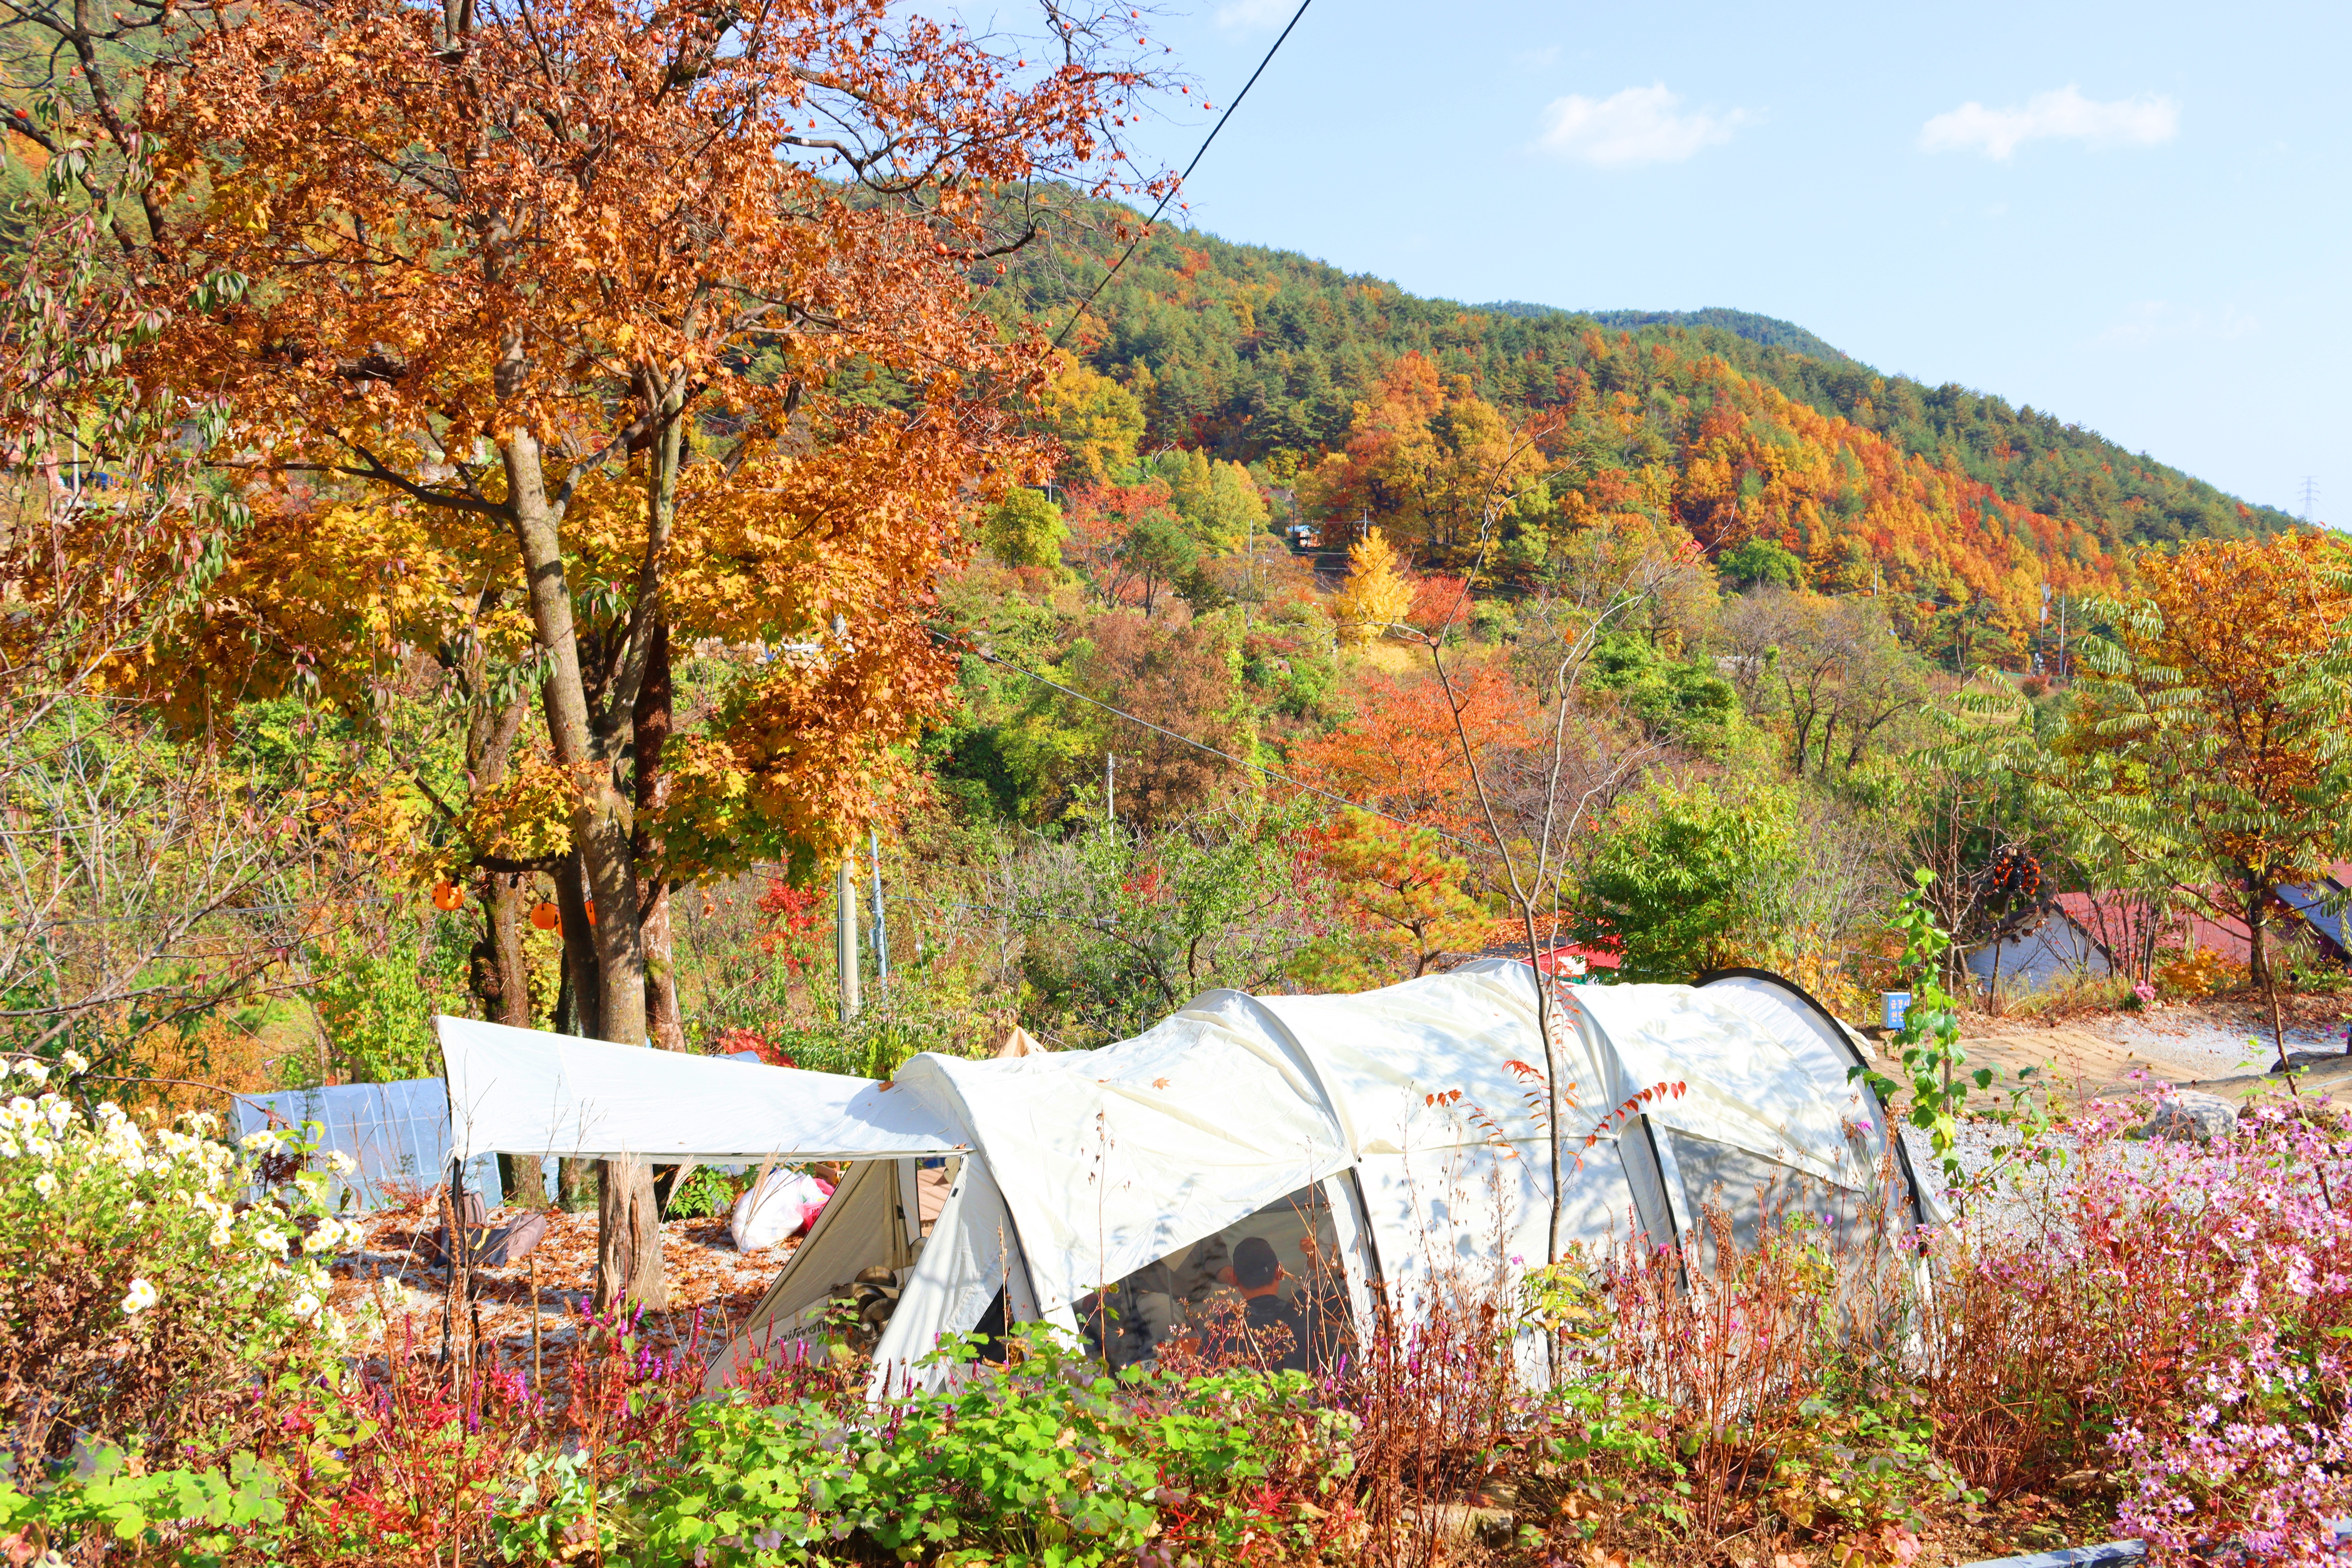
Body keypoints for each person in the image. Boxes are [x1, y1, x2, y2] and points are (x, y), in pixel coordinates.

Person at [1205, 1235, 1310, 1373]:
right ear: (1279, 1271)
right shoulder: (1305, 1318)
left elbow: (1204, 1373)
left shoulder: (1223, 1327)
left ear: (1234, 1278)